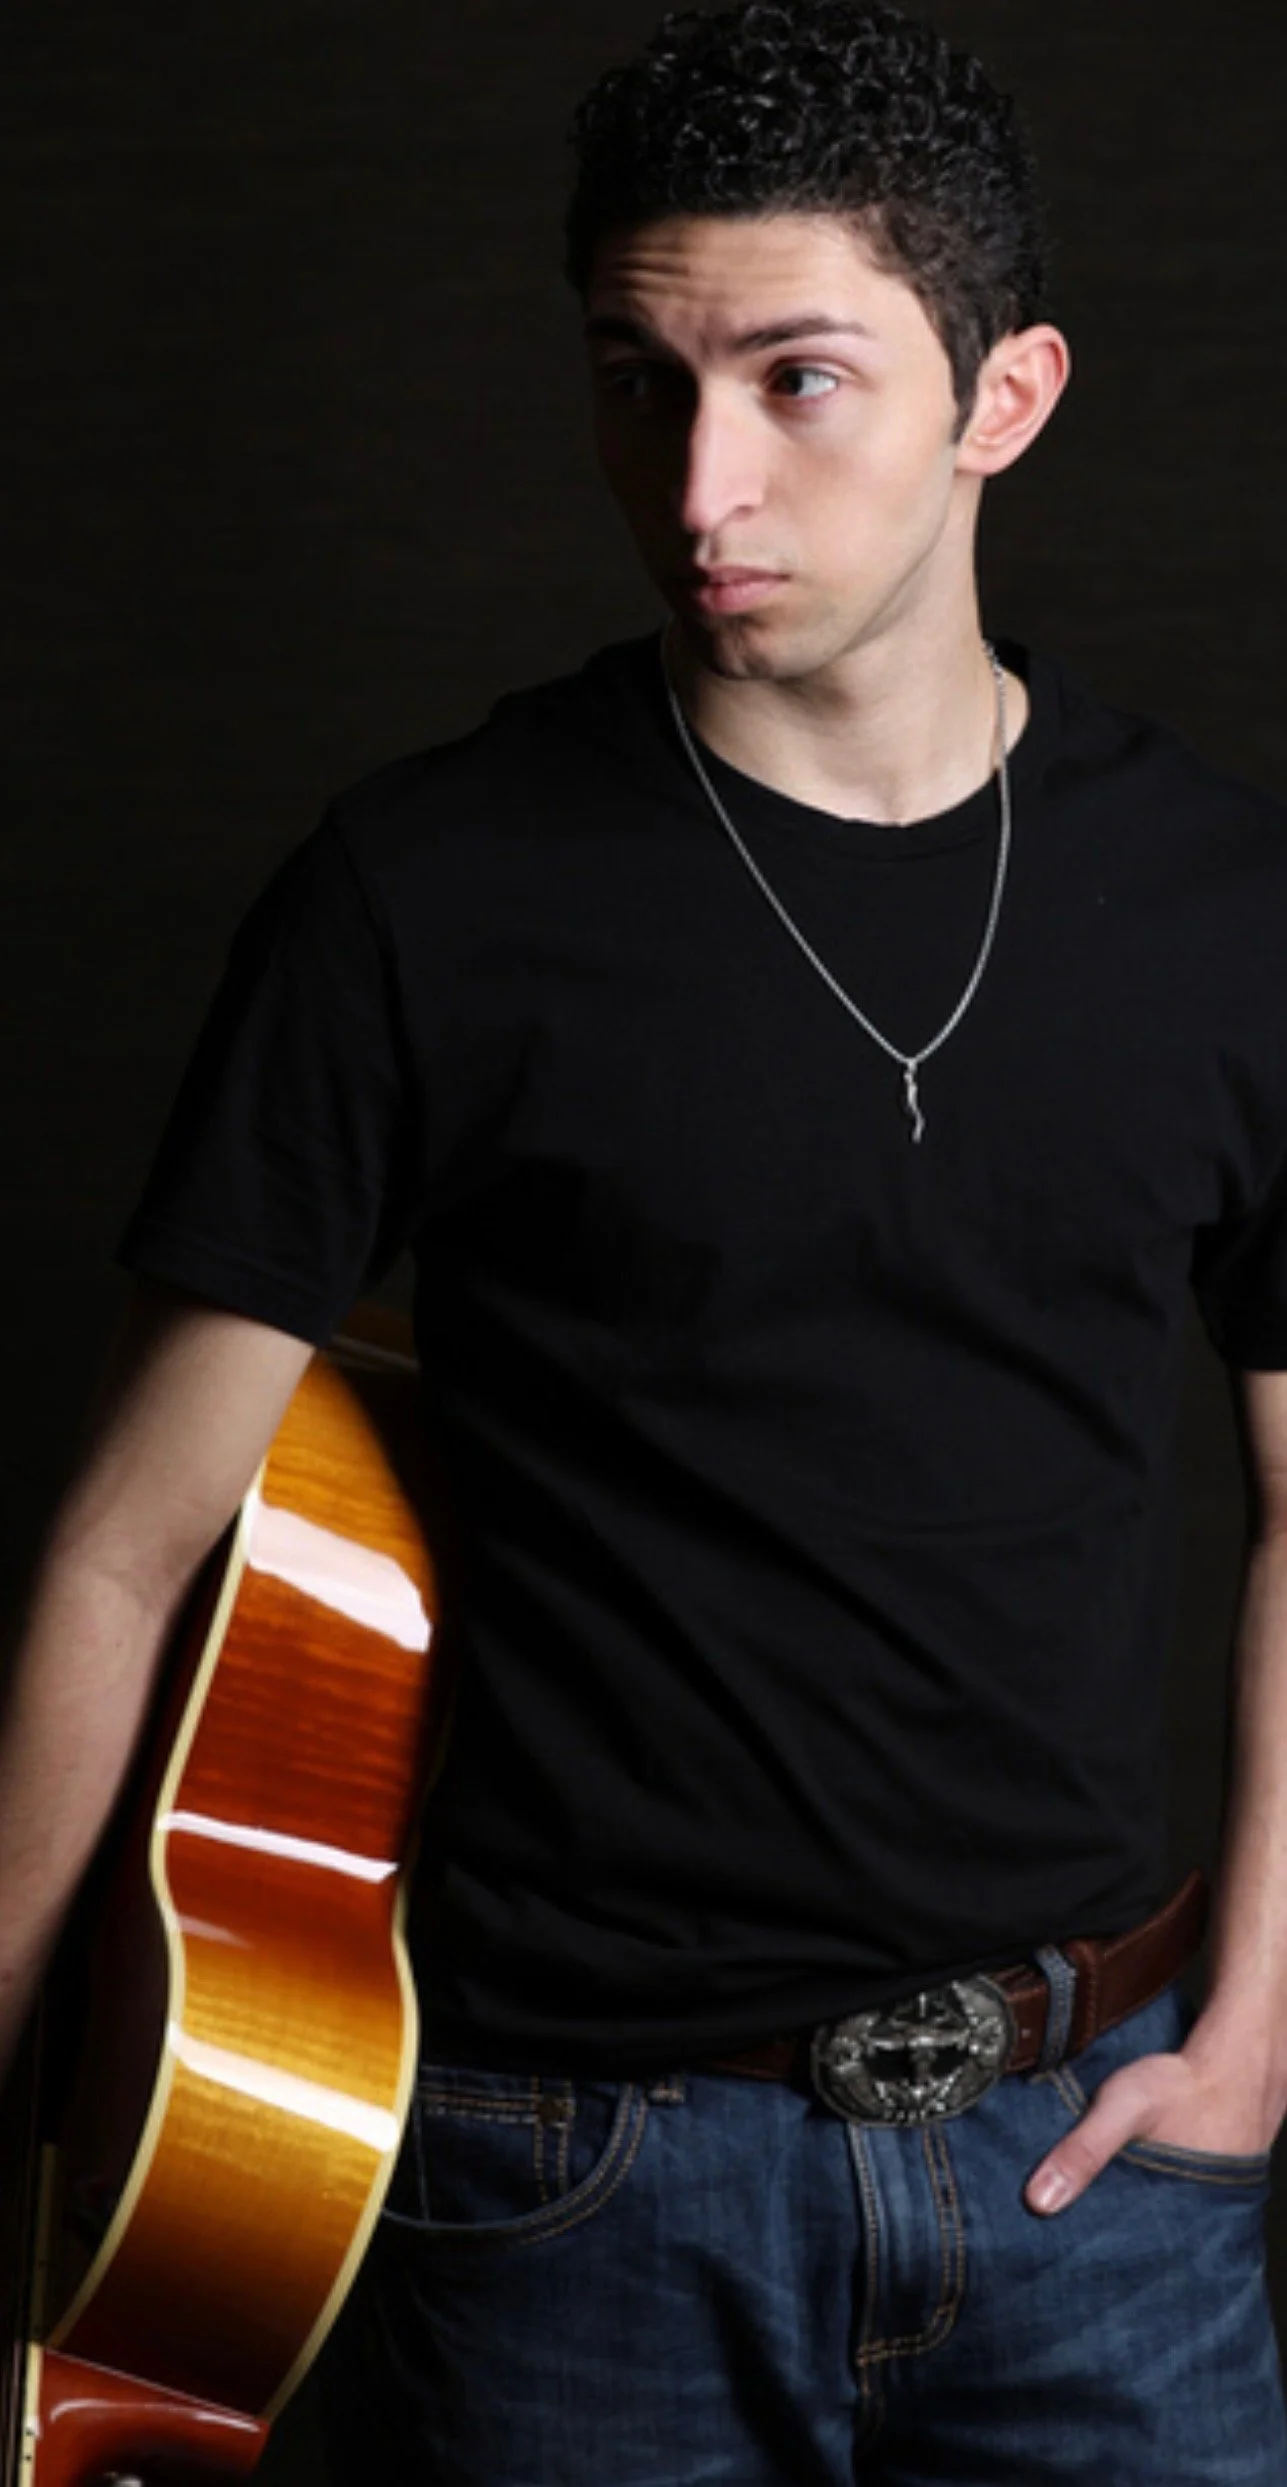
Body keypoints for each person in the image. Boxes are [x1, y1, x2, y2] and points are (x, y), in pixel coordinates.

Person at [3, 1, 1287, 2476]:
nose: (694, 483)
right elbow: (118, 1552)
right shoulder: (425, 892)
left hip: (1095, 2168)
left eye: (795, 380)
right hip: (560, 2177)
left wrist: (1257, 2034)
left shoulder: (1234, 912)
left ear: (999, 399)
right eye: (634, 376)